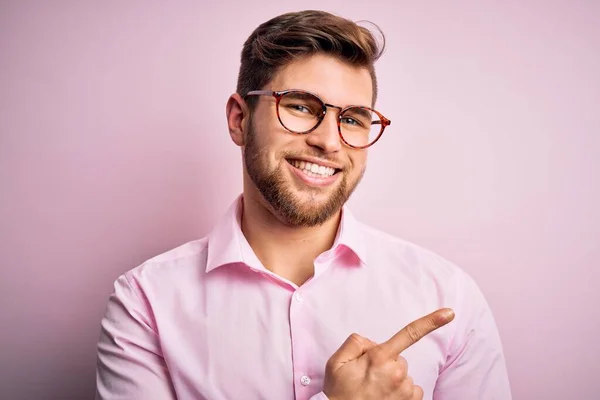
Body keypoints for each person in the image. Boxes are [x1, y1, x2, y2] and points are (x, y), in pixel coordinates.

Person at [95, 9, 511, 400]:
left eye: (352, 119)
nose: (329, 141)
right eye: (299, 106)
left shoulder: (446, 295)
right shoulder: (145, 302)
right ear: (240, 119)